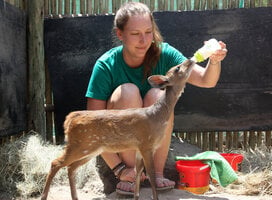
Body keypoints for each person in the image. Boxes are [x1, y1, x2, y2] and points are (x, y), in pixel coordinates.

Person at [85, 1, 227, 195]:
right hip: (117, 150)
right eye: (135, 34)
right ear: (120, 34)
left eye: (148, 32)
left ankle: (156, 173)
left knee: (158, 95)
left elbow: (206, 80)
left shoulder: (164, 52)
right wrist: (118, 167)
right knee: (128, 93)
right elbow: (93, 124)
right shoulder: (105, 65)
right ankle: (131, 173)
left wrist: (214, 61)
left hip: (151, 140)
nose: (144, 40)